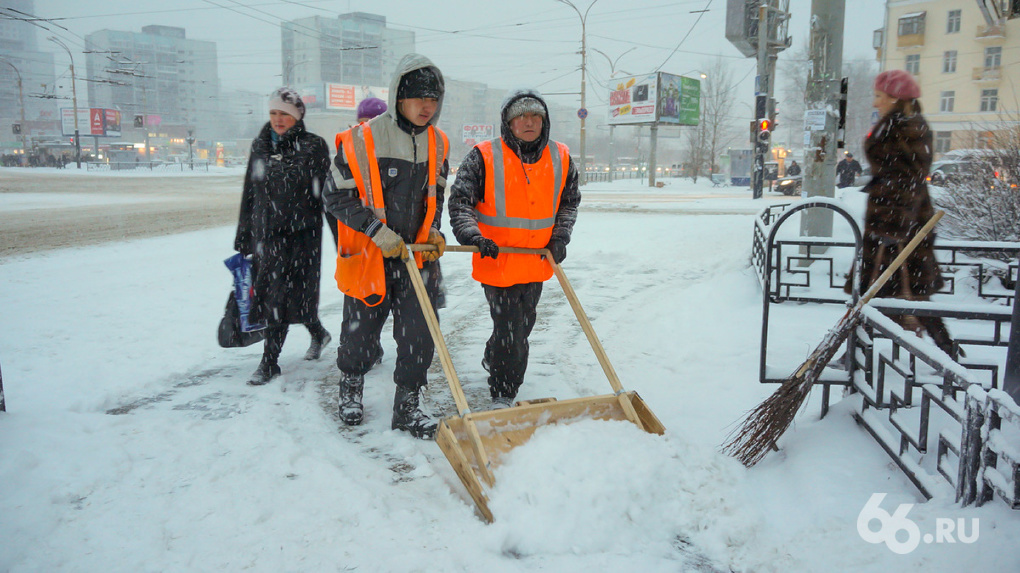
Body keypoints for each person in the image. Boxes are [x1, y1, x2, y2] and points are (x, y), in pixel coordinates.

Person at [324, 54, 450, 439]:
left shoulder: (439, 142)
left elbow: (437, 195)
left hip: (416, 259)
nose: (427, 107)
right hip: (370, 257)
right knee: (360, 334)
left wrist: (433, 231)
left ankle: (408, 406)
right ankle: (351, 388)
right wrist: (376, 230)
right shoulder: (363, 139)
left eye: (433, 99)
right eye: (418, 98)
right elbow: (335, 195)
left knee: (418, 334)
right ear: (399, 97)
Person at [448, 89, 581, 409]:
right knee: (511, 329)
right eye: (521, 116)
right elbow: (460, 202)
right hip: (498, 260)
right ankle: (504, 392)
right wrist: (473, 236)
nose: (529, 122)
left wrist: (560, 236)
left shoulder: (561, 156)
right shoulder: (483, 155)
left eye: (536, 116)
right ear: (508, 122)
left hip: (536, 261)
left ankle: (494, 355)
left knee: (523, 325)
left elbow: (569, 202)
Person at [843, 69, 958, 357]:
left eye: (879, 96)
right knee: (880, 294)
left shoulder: (906, 127)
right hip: (892, 221)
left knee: (907, 293)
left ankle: (948, 354)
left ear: (895, 97)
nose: (875, 102)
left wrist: (891, 229)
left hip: (900, 225)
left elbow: (907, 181)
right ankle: (856, 353)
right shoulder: (895, 124)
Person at [234, 87, 333, 386]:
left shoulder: (314, 146)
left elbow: (328, 196)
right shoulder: (261, 145)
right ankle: (269, 362)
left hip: (304, 236)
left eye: (285, 114)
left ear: (298, 116)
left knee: (300, 296)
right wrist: (244, 237)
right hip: (269, 235)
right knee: (274, 295)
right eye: (274, 113)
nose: (278, 119)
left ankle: (317, 333)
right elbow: (250, 192)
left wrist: (344, 241)